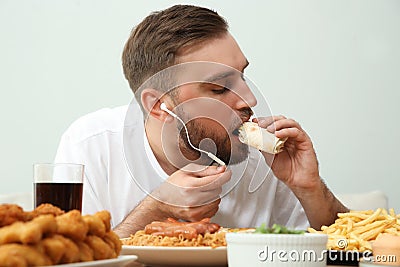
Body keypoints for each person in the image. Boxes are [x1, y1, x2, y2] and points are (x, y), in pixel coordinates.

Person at [55, 4, 348, 238]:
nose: (249, 100)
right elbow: (66, 260)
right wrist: (155, 210)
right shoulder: (91, 144)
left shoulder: (266, 160)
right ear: (159, 105)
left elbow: (358, 252)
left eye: (243, 77)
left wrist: (310, 189)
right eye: (219, 88)